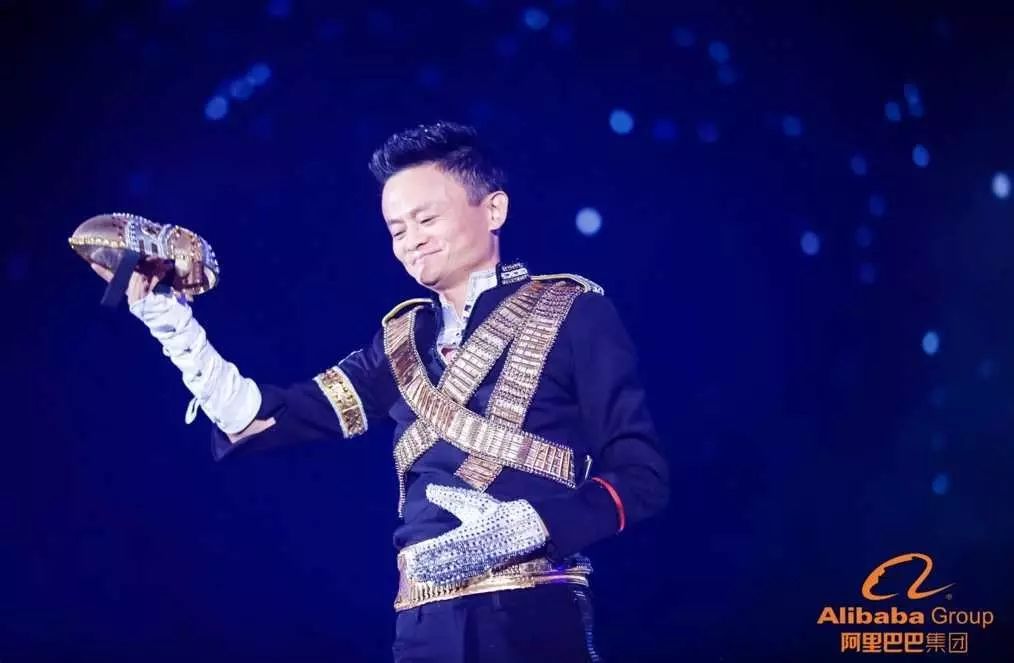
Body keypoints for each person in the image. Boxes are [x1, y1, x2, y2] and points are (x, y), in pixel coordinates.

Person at [91, 121, 669, 662]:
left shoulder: (573, 311)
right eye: (397, 229)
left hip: (531, 610)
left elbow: (641, 477)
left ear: (493, 209)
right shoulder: (398, 341)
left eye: (426, 219)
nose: (411, 241)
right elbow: (262, 417)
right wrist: (169, 320)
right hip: (420, 624)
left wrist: (535, 525)